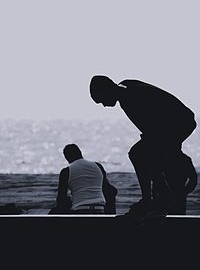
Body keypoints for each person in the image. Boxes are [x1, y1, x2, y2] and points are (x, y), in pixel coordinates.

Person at [89, 75, 197, 218]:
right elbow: (150, 124)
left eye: (101, 100)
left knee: (138, 153)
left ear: (107, 89)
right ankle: (154, 197)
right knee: (145, 154)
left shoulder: (130, 97)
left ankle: (156, 196)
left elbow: (155, 121)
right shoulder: (125, 88)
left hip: (180, 122)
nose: (103, 105)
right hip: (174, 123)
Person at [50, 144, 117, 215]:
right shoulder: (98, 166)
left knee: (53, 212)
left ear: (66, 157)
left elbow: (61, 197)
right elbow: (110, 190)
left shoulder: (66, 171)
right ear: (80, 153)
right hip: (99, 209)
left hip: (79, 210)